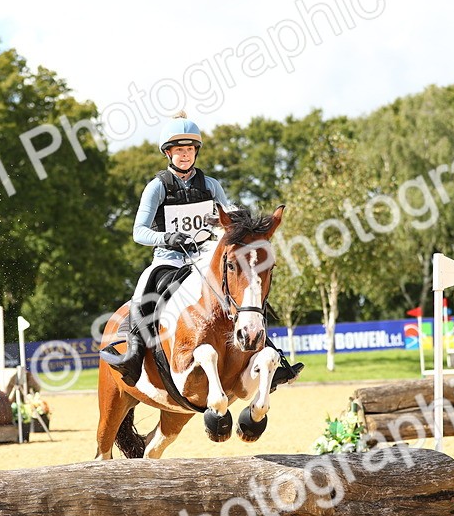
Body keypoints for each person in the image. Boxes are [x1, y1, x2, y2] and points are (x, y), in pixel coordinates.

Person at [99, 112, 303, 391]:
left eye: (190, 150)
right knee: (143, 291)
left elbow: (231, 218)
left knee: (245, 294)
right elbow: (139, 232)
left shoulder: (210, 185)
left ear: (196, 152)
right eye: (179, 150)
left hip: (204, 259)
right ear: (168, 153)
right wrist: (166, 237)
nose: (185, 155)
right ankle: (131, 354)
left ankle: (270, 353)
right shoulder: (157, 187)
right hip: (169, 260)